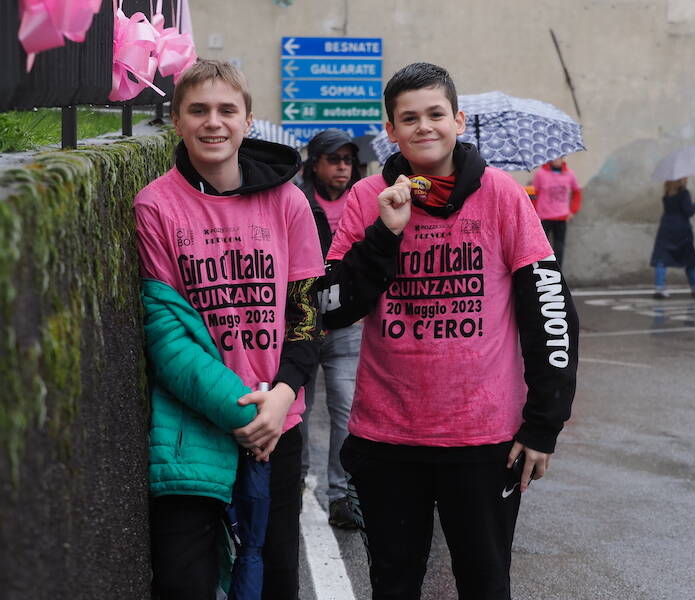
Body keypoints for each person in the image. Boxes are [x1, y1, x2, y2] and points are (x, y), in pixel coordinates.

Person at [317, 62, 579, 600]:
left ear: (457, 120)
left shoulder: (503, 196)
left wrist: (542, 425)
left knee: (485, 584)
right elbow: (332, 307)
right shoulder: (368, 197)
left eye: (436, 113)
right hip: (386, 437)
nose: (424, 127)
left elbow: (550, 312)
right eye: (408, 118)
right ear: (389, 130)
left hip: (484, 440)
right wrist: (385, 235)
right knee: (393, 584)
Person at [134, 59, 324, 600]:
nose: (212, 122)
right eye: (198, 110)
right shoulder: (155, 206)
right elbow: (166, 333)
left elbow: (306, 315)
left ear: (248, 120)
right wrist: (242, 411)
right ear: (177, 121)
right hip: (193, 427)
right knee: (185, 580)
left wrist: (280, 400)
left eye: (226, 110)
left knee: (273, 579)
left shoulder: (289, 201)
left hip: (278, 424)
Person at [298, 129, 362, 529]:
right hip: (302, 325)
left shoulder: (365, 200)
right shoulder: (297, 200)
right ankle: (294, 486)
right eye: (334, 159)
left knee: (347, 410)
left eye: (348, 160)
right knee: (296, 410)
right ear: (315, 164)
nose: (342, 166)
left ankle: (341, 495)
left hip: (346, 325)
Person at [649, 177, 695, 299]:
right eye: (685, 177)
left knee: (662, 257)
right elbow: (689, 212)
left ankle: (659, 288)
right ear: (681, 179)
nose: (687, 178)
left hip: (666, 227)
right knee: (688, 257)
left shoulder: (666, 194)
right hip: (681, 228)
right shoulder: (684, 193)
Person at [529, 156, 582, 265]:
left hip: (561, 217)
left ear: (563, 159)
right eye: (554, 157)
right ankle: (544, 273)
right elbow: (534, 194)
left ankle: (558, 273)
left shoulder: (569, 174)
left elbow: (577, 192)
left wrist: (573, 210)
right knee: (541, 247)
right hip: (543, 217)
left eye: (559, 157)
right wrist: (532, 214)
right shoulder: (541, 174)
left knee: (559, 246)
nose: (556, 160)